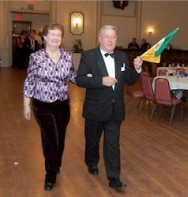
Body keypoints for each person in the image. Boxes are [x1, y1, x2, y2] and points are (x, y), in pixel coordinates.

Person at [75, 24, 143, 191]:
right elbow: (80, 79)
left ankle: (114, 178)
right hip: (95, 109)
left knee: (112, 144)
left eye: (113, 37)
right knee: (92, 141)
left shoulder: (121, 56)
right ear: (100, 39)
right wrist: (101, 81)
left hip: (115, 109)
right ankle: (91, 162)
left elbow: (128, 79)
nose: (111, 40)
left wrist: (137, 68)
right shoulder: (89, 56)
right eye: (107, 37)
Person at [23, 23, 76, 191]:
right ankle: (50, 175)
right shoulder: (36, 57)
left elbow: (73, 76)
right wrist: (26, 104)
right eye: (52, 35)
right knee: (51, 139)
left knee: (60, 138)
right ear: (44, 37)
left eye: (58, 35)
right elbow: (30, 81)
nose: (55, 38)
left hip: (62, 104)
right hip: (42, 104)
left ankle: (56, 164)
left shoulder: (67, 56)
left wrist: (93, 80)